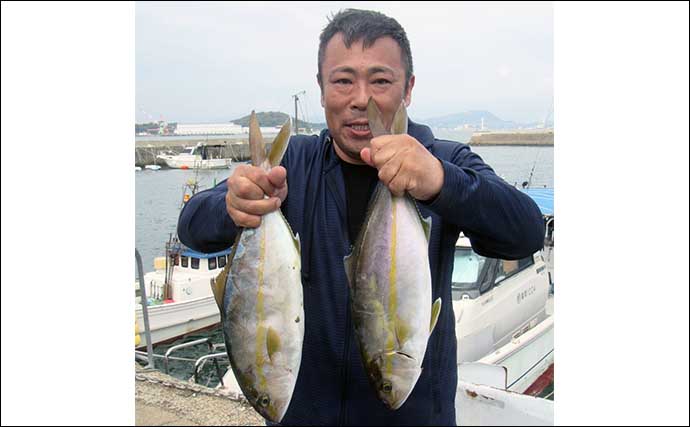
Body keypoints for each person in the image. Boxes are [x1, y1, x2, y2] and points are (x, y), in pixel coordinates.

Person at [178, 8, 544, 426]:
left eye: (381, 80)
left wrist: (443, 183)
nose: (361, 99)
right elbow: (192, 227)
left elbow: (526, 231)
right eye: (343, 80)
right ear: (321, 89)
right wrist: (232, 204)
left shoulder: (445, 160)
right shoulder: (292, 166)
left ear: (408, 89)